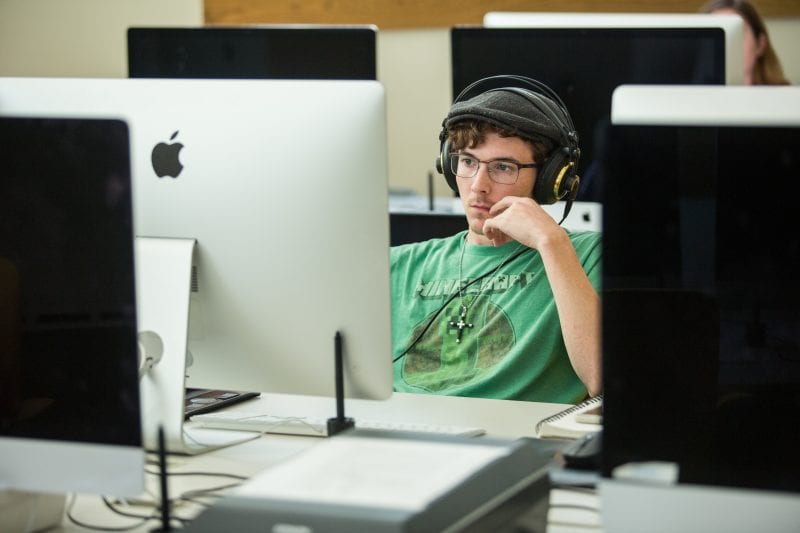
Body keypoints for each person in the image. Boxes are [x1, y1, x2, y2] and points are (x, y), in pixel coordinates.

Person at [390, 75, 601, 404]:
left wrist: (551, 241)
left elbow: (602, 377)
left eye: (503, 167)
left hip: (514, 441)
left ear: (550, 179)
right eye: (468, 162)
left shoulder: (587, 255)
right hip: (403, 436)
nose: (478, 186)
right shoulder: (399, 265)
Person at [702, 0, 790, 85]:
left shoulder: (787, 97)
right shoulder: (692, 97)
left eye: (738, 34)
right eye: (717, 37)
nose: (727, 46)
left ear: (760, 44)